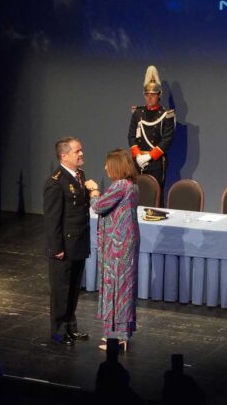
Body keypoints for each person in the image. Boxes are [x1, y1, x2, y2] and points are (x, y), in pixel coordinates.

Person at [86, 149, 139, 351]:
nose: (105, 167)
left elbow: (99, 206)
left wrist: (94, 191)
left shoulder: (120, 186)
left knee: (116, 288)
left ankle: (116, 337)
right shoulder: (131, 186)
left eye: (108, 164)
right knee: (123, 287)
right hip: (125, 242)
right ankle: (119, 334)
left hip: (118, 245)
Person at [43, 137, 91, 346]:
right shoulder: (55, 182)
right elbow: (53, 219)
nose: (81, 154)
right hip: (64, 245)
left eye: (81, 150)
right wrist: (57, 248)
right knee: (61, 291)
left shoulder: (79, 176)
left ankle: (71, 327)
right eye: (77, 151)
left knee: (73, 289)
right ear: (64, 156)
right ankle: (58, 331)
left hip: (78, 243)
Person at [127, 65, 175, 204]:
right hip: (138, 161)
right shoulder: (138, 113)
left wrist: (149, 156)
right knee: (136, 195)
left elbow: (167, 140)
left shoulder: (166, 115)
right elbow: (131, 136)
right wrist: (138, 156)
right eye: (147, 94)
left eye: (153, 94)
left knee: (155, 196)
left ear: (159, 95)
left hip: (156, 162)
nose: (149, 97)